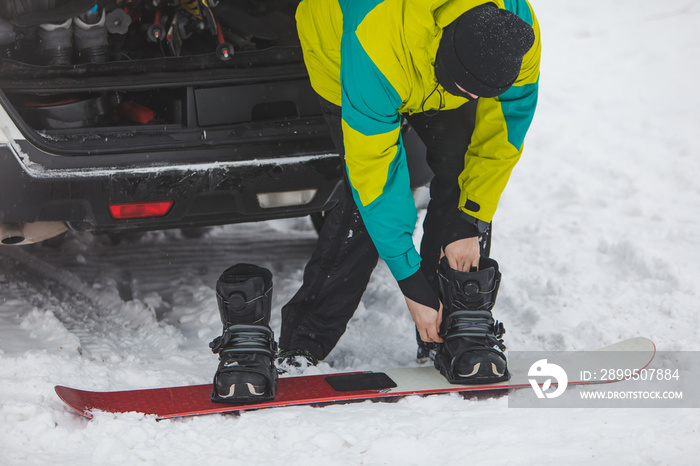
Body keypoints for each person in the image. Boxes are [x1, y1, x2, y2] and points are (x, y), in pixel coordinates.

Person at [209, 0, 541, 402]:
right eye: (465, 89)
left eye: (479, 93)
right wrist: (409, 280)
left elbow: (502, 134)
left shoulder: (515, 34)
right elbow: (378, 181)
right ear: (443, 48)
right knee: (363, 206)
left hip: (430, 64)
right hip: (346, 50)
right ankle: (306, 340)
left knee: (463, 179)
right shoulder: (376, 45)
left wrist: (469, 219)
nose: (471, 97)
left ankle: (455, 324)